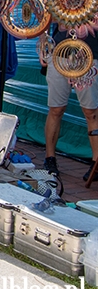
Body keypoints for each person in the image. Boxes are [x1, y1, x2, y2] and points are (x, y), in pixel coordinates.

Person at [41, 27, 98, 181]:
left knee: (91, 112)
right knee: (56, 109)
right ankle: (50, 158)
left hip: (90, 54)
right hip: (59, 53)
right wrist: (43, 44)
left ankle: (96, 163)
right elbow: (46, 15)